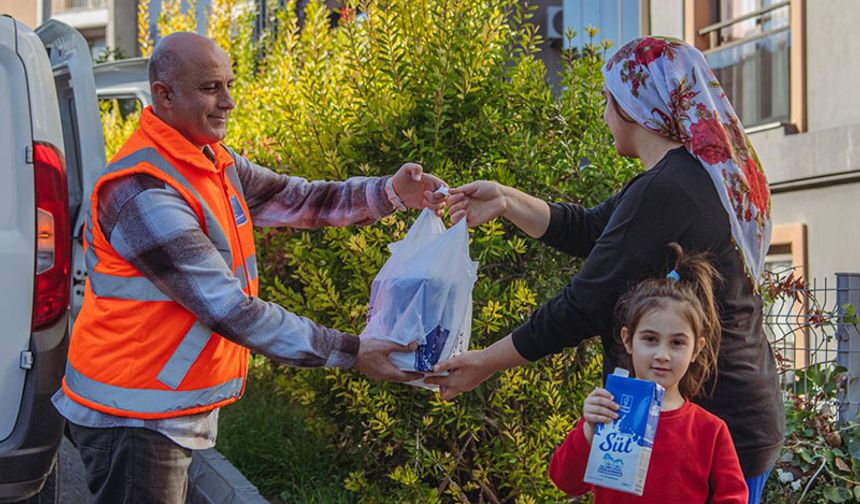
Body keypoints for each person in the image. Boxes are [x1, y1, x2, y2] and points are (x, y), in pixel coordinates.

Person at [51, 32, 446, 503]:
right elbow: (229, 309)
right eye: (211, 88)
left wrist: (392, 193)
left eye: (229, 84)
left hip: (156, 407)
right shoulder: (142, 190)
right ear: (164, 94)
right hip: (134, 416)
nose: (229, 102)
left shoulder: (210, 160)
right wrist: (351, 351)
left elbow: (295, 198)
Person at [426, 36, 783, 503]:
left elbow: (583, 306)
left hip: (713, 422)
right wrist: (506, 200)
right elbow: (592, 228)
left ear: (636, 105)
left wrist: (482, 363)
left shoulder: (671, 188)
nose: (604, 115)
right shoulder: (682, 176)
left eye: (608, 102)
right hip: (683, 412)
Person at [548, 243, 748, 503]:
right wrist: (587, 430)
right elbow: (566, 482)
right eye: (650, 339)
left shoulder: (710, 431)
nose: (662, 355)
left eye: (677, 343)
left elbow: (732, 498)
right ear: (628, 340)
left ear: (697, 349)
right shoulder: (609, 414)